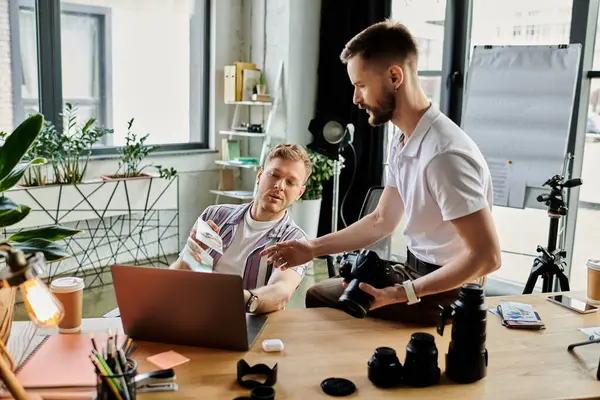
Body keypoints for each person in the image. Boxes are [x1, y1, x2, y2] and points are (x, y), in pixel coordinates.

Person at [261, 20, 501, 326]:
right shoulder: (403, 139)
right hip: (415, 271)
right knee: (320, 294)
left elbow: (487, 258)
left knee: (323, 303)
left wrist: (403, 293)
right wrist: (311, 248)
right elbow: (382, 220)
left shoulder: (444, 156)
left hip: (450, 290)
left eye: (361, 85)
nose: (355, 99)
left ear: (394, 76)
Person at [170, 144, 312, 315]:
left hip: (245, 322)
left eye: (291, 182)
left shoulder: (295, 241)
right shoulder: (214, 215)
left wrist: (228, 298)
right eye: (274, 175)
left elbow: (280, 292)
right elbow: (178, 277)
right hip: (195, 312)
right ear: (260, 176)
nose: (280, 186)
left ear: (299, 193)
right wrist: (191, 256)